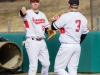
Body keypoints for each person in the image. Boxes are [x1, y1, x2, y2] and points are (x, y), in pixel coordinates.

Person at [51, 0, 89, 75]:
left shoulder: (65, 16)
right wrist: (77, 42)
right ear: (79, 5)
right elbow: (84, 34)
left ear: (69, 4)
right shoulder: (83, 18)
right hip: (77, 46)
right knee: (72, 69)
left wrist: (55, 20)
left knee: (58, 68)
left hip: (67, 45)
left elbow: (54, 27)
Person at [19, 0, 50, 75]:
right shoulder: (27, 13)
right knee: (33, 66)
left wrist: (51, 30)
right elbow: (22, 14)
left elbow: (46, 28)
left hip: (42, 42)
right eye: (33, 2)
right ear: (30, 4)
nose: (35, 3)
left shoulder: (42, 14)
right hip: (32, 41)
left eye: (36, 2)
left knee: (46, 64)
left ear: (39, 3)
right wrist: (22, 10)